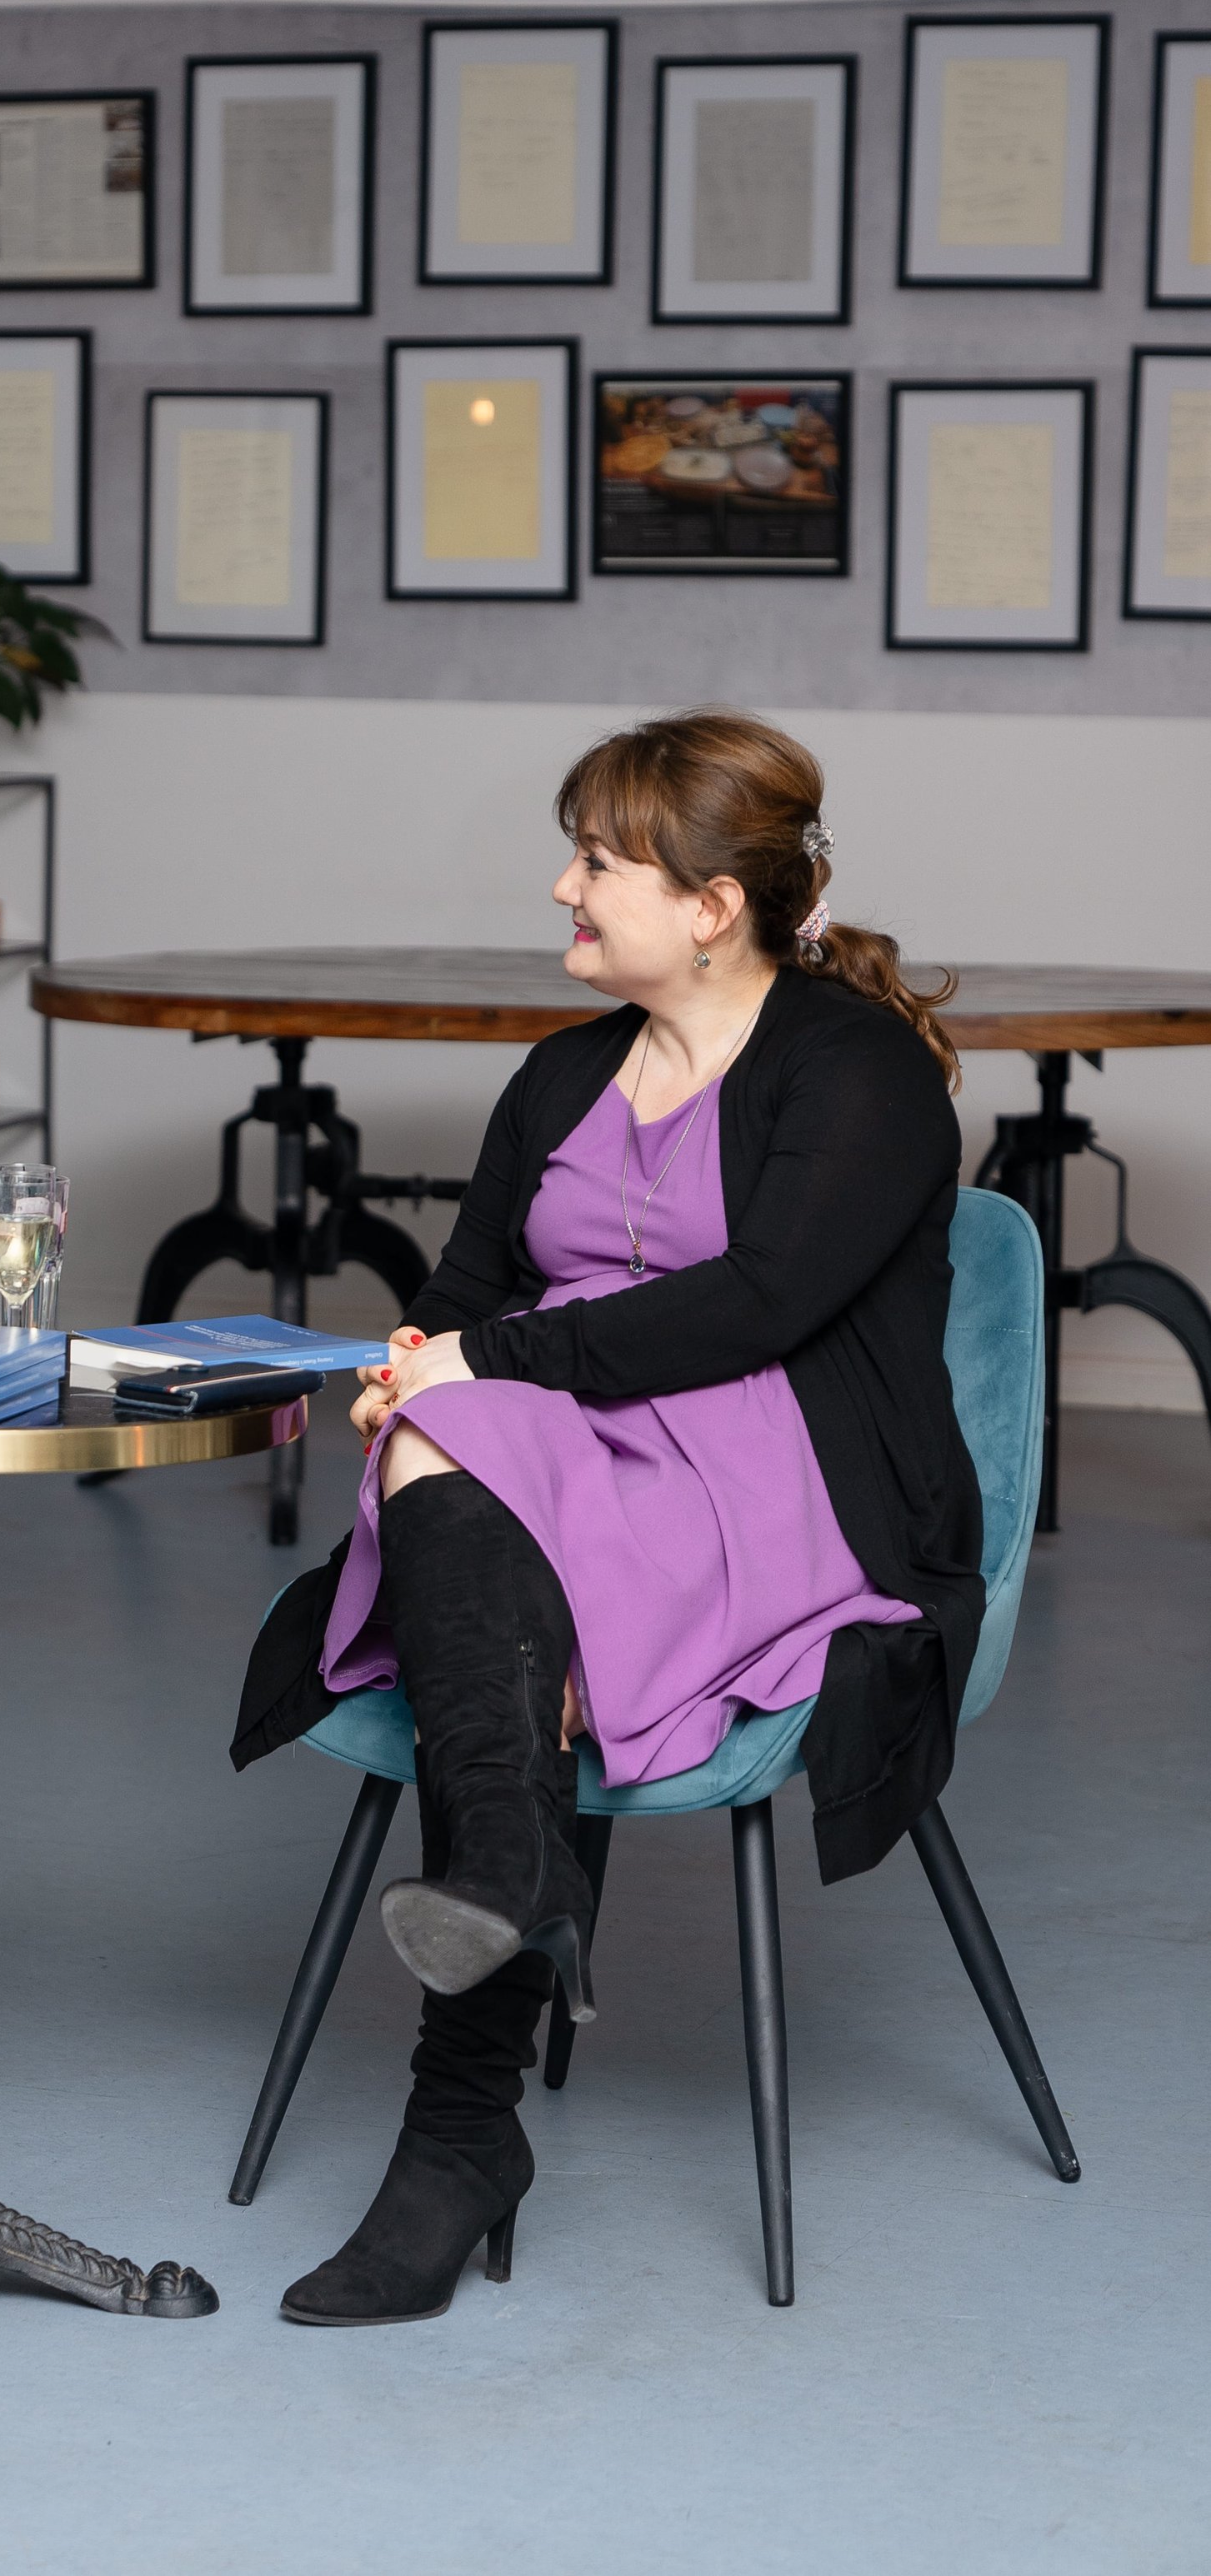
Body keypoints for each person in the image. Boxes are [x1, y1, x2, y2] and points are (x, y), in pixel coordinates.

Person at [233, 709, 983, 2328]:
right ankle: (507, 1905)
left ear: (711, 904)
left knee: (459, 1460)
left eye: (596, 861)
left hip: (779, 1476)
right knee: (448, 1451)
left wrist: (470, 1371)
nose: (562, 888)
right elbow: (466, 1285)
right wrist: (417, 1361)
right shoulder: (563, 1073)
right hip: (558, 1449)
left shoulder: (854, 1071)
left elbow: (759, 1304)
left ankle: (458, 2126)